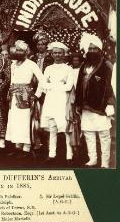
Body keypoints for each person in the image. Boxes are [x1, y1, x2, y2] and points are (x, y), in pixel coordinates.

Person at [75, 33, 115, 168]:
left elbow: (111, 85)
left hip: (101, 107)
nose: (92, 51)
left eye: (95, 49)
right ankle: (93, 159)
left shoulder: (107, 65)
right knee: (88, 133)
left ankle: (105, 162)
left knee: (104, 135)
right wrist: (78, 103)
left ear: (99, 50)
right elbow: (79, 85)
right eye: (90, 49)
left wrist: (109, 103)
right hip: (86, 108)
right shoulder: (83, 66)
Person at [5, 40, 45, 158]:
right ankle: (17, 147)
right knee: (14, 120)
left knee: (25, 120)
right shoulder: (13, 65)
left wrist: (37, 95)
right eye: (17, 50)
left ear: (26, 52)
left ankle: (26, 148)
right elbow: (12, 81)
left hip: (25, 95)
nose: (18, 52)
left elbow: (42, 80)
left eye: (21, 50)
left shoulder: (31, 64)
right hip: (13, 95)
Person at [40, 42, 74, 164]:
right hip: (50, 100)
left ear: (64, 54)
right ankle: (52, 154)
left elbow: (69, 86)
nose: (57, 55)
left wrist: (53, 85)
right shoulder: (48, 68)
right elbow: (44, 84)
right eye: (55, 53)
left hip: (62, 101)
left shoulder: (68, 69)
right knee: (52, 128)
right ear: (52, 54)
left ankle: (69, 155)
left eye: (60, 53)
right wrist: (59, 83)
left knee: (65, 128)